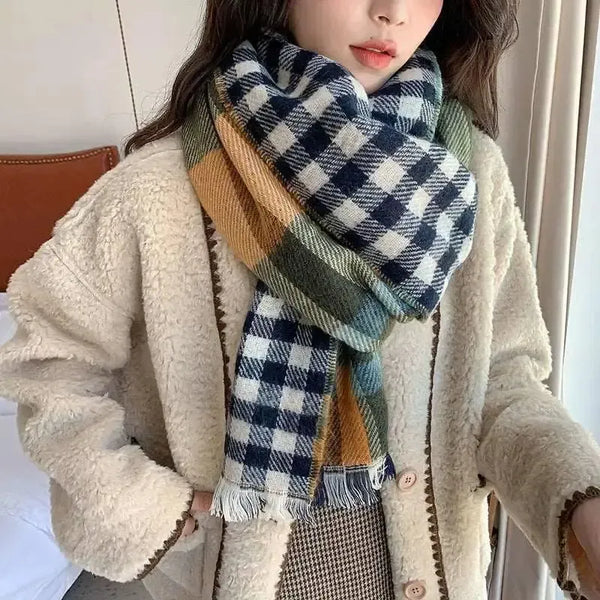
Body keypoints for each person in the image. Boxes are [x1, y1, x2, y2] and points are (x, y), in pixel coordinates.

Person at [1, 1, 600, 599]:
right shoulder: (156, 187)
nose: (392, 12)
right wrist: (149, 507)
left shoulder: (470, 176)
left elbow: (502, 382)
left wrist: (582, 504)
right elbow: (48, 362)